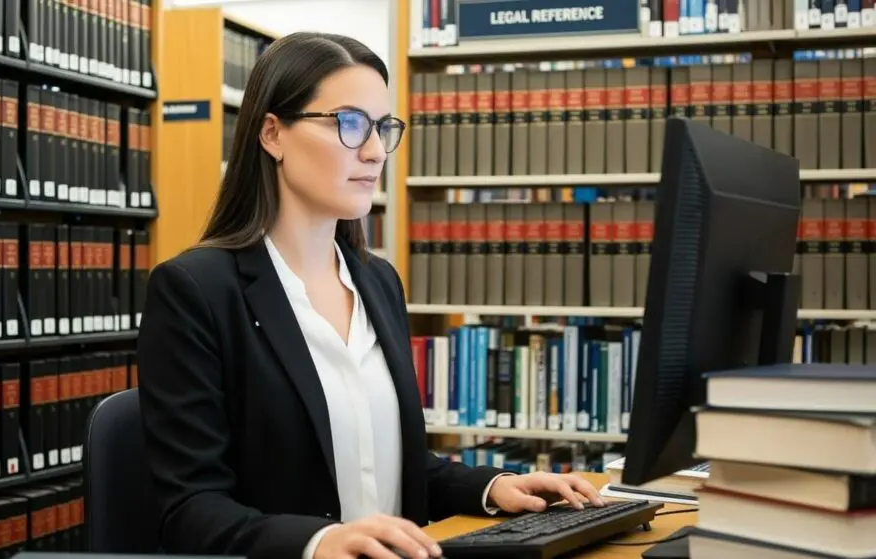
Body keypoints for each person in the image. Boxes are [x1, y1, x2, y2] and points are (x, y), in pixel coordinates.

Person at [136, 31, 604, 559]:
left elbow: (399, 467)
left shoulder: (377, 281)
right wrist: (318, 542)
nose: (376, 150)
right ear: (273, 134)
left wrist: (491, 489)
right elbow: (190, 509)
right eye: (350, 123)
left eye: (383, 127)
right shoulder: (196, 290)